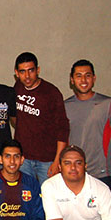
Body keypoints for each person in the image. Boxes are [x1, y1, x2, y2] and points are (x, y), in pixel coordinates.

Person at [64, 59, 111, 202]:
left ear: (94, 78)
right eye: (78, 76)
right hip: (73, 174)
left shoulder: (108, 104)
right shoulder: (65, 107)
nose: (83, 80)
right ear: (72, 80)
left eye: (87, 75)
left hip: (102, 173)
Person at [13, 52, 69, 185]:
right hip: (24, 158)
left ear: (37, 70)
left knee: (49, 198)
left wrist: (57, 160)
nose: (27, 76)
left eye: (31, 70)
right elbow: (14, 118)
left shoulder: (51, 93)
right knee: (25, 198)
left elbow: (63, 129)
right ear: (16, 73)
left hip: (47, 160)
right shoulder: (17, 88)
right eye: (22, 71)